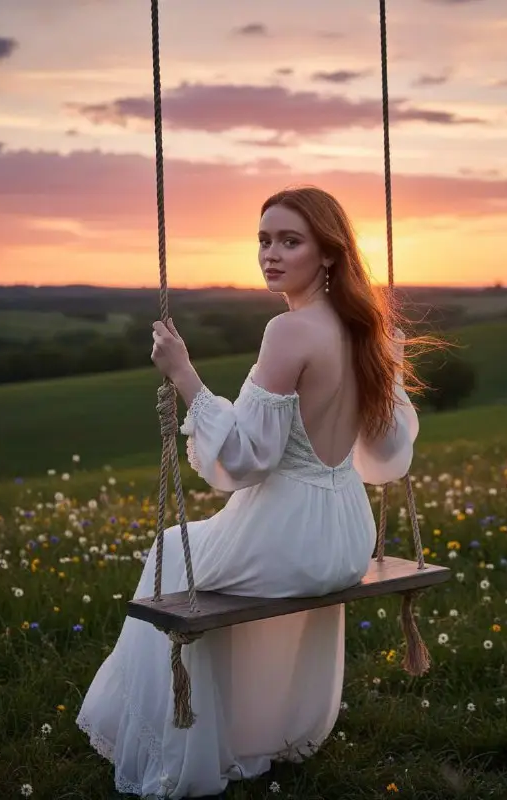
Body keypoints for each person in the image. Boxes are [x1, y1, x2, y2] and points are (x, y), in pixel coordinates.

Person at [76, 186, 421, 799]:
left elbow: (245, 460)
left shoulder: (288, 332)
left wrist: (184, 373)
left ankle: (188, 744)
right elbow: (386, 454)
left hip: (289, 534)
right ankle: (260, 729)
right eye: (264, 239)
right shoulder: (360, 326)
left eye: (290, 240)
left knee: (167, 560)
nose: (271, 254)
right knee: (189, 559)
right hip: (345, 535)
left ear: (328, 254)